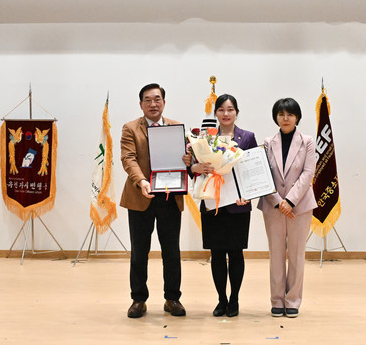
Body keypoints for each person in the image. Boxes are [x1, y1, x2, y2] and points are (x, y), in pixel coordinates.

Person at [185, 94, 257, 318]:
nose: (226, 114)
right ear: (215, 113)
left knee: (236, 253)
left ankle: (234, 299)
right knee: (216, 254)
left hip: (238, 204)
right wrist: (194, 167)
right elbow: (193, 169)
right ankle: (221, 300)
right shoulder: (204, 139)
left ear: (237, 112)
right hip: (212, 202)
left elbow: (253, 169)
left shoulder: (247, 137)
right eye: (221, 110)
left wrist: (248, 194)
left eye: (230, 109)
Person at [120, 83, 187, 319]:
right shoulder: (130, 128)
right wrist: (141, 181)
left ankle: (172, 298)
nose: (153, 104)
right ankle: (138, 300)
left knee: (172, 252)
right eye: (147, 100)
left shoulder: (176, 127)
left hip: (170, 197)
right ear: (141, 104)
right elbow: (128, 158)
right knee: (139, 252)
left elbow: (185, 160)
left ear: (164, 103)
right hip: (141, 196)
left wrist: (189, 159)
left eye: (157, 99)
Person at [257, 98, 317, 318]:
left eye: (290, 114)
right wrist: (277, 201)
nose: (285, 118)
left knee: (297, 253)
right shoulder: (267, 142)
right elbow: (263, 174)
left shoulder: (307, 141)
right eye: (281, 114)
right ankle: (277, 300)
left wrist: (290, 201)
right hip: (273, 206)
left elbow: (308, 173)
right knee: (276, 254)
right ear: (276, 117)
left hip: (299, 206)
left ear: (297, 117)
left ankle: (292, 300)